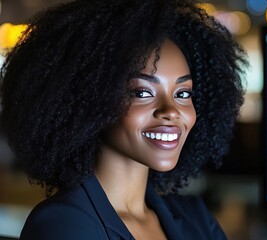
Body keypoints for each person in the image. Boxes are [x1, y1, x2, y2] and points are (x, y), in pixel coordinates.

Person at [0, 0, 247, 239]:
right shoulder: (63, 225)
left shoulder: (196, 218)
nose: (171, 111)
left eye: (182, 93)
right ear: (90, 100)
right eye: (142, 93)